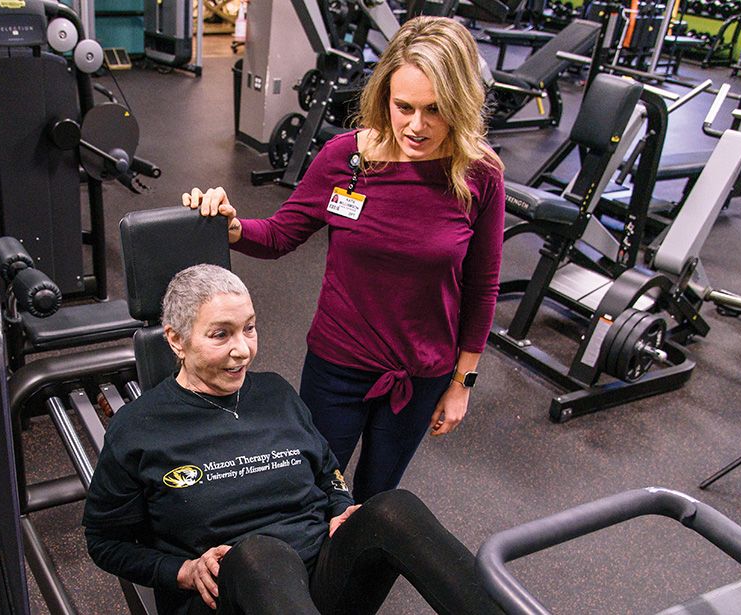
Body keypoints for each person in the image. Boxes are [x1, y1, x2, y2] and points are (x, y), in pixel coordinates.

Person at [182, 16, 505, 502]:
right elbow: (278, 235)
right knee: (310, 489)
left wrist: (462, 383)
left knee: (377, 499)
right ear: (386, 97)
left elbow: (483, 287)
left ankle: (356, 578)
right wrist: (231, 226)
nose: (416, 126)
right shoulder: (345, 159)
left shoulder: (480, 174)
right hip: (338, 363)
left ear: (461, 104)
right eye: (404, 107)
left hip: (420, 375)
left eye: (435, 110)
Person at [83, 264, 502, 615]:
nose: (243, 350)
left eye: (249, 328)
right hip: (228, 593)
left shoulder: (275, 392)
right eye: (220, 335)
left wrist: (340, 508)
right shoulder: (139, 428)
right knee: (262, 554)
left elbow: (325, 469)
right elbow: (104, 542)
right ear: (176, 339)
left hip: (319, 577)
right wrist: (181, 571)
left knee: (393, 507)